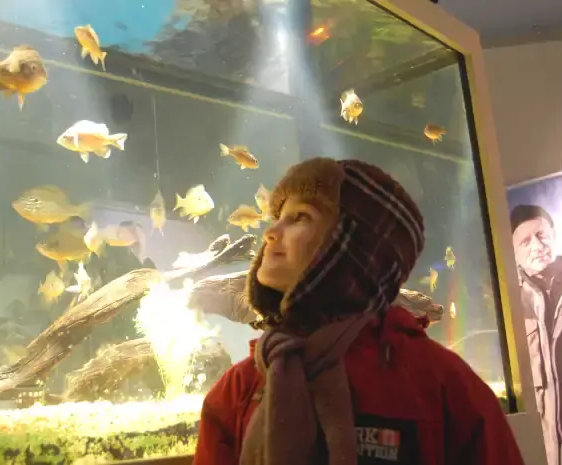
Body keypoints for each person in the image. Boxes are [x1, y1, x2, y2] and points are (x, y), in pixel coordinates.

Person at [193, 158, 524, 465]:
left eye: (300, 217)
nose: (270, 231)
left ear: (352, 246)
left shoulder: (442, 386)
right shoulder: (237, 390)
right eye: (277, 217)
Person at [511, 204, 562, 465]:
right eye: (525, 241)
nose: (537, 246)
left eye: (541, 235)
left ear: (554, 234)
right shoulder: (508, 305)